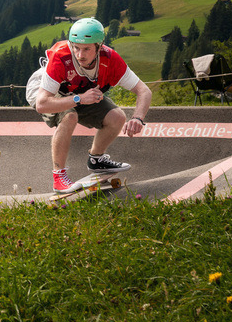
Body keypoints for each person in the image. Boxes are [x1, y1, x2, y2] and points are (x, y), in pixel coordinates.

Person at [28, 17, 152, 193]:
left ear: (99, 46)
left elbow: (144, 90)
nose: (80, 54)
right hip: (45, 91)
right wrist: (79, 99)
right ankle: (58, 177)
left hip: (80, 91)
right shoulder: (61, 57)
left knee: (117, 117)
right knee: (70, 116)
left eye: (86, 49)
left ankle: (96, 159)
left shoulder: (111, 60)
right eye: (76, 48)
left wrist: (138, 118)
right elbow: (42, 104)